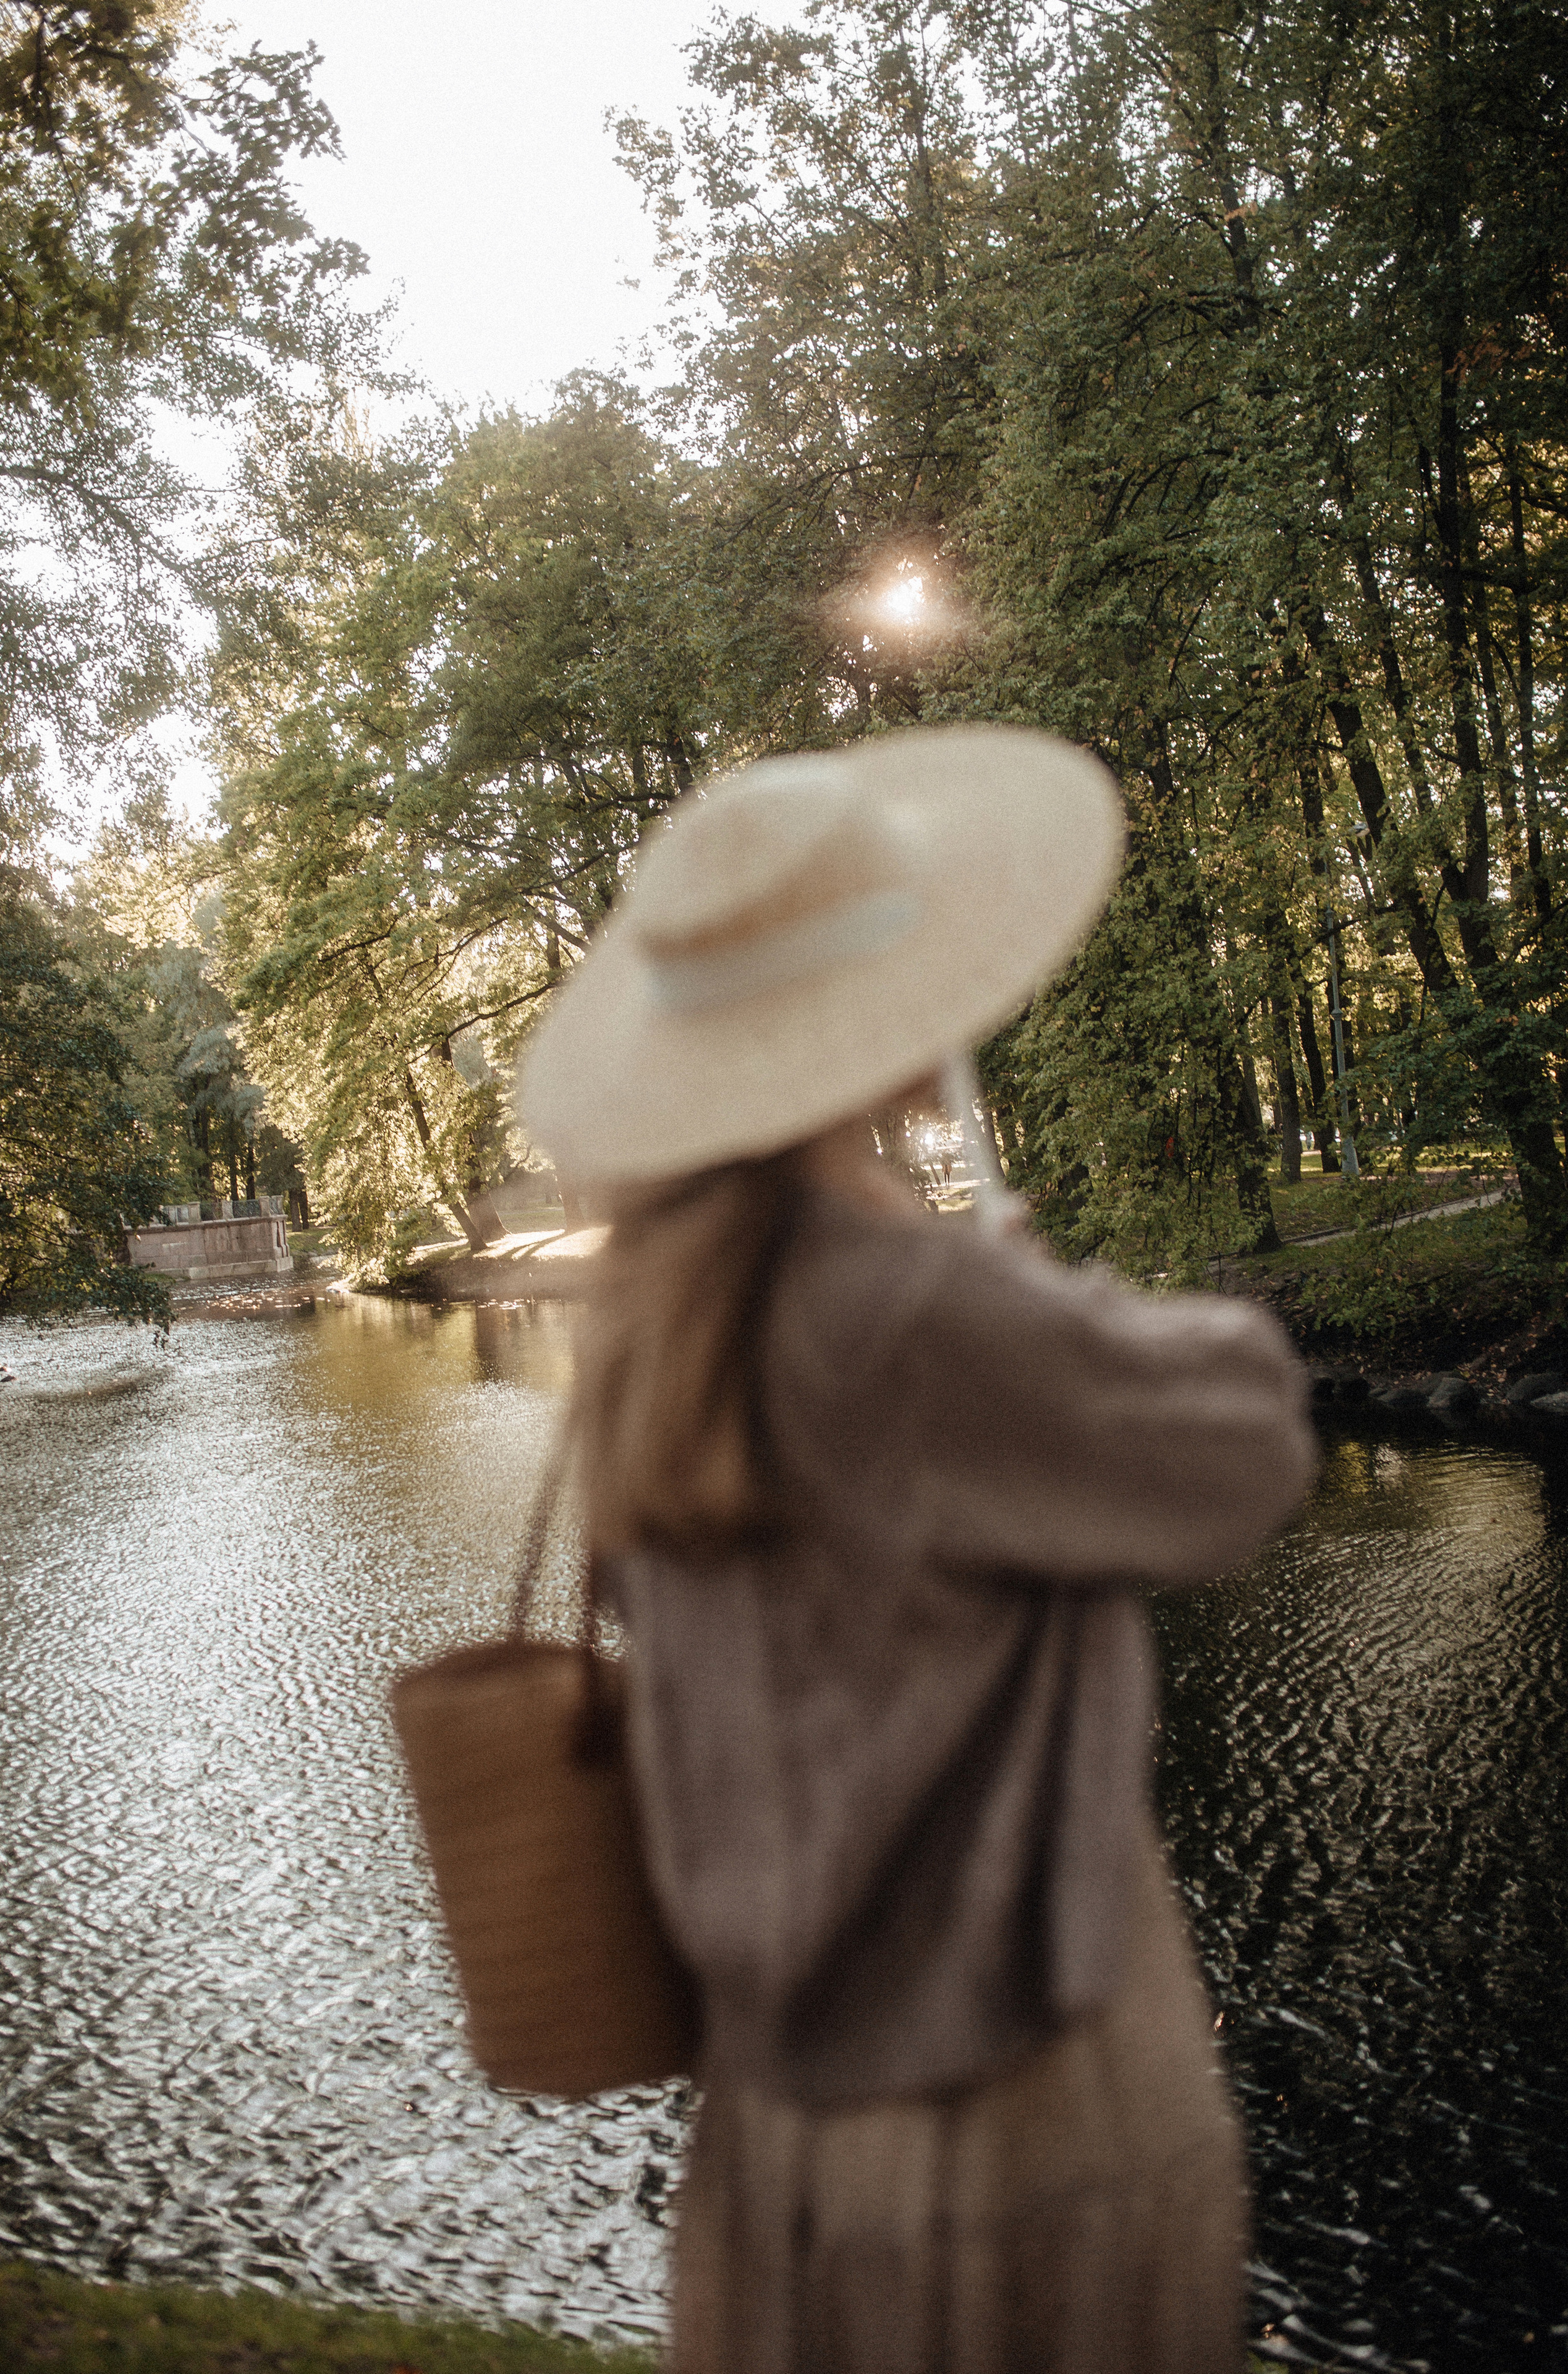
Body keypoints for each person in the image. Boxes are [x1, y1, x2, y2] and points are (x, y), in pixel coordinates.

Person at [520, 725, 1315, 2374]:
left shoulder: (660, 1319)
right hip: (1009, 2100)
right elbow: (1246, 1457)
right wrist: (1028, 1289)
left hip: (786, 2099)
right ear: (880, 1040)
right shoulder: (907, 1313)